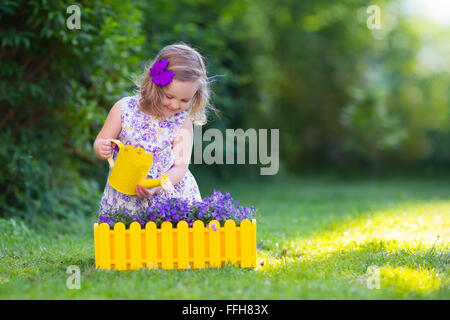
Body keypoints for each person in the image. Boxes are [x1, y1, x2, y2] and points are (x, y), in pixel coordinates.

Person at [93, 43, 215, 217]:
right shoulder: (124, 109)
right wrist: (101, 147)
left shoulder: (182, 122)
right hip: (124, 192)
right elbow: (101, 141)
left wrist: (158, 186)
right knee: (126, 239)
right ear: (155, 85)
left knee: (170, 240)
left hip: (165, 197)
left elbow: (180, 167)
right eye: (169, 96)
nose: (175, 104)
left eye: (185, 100)